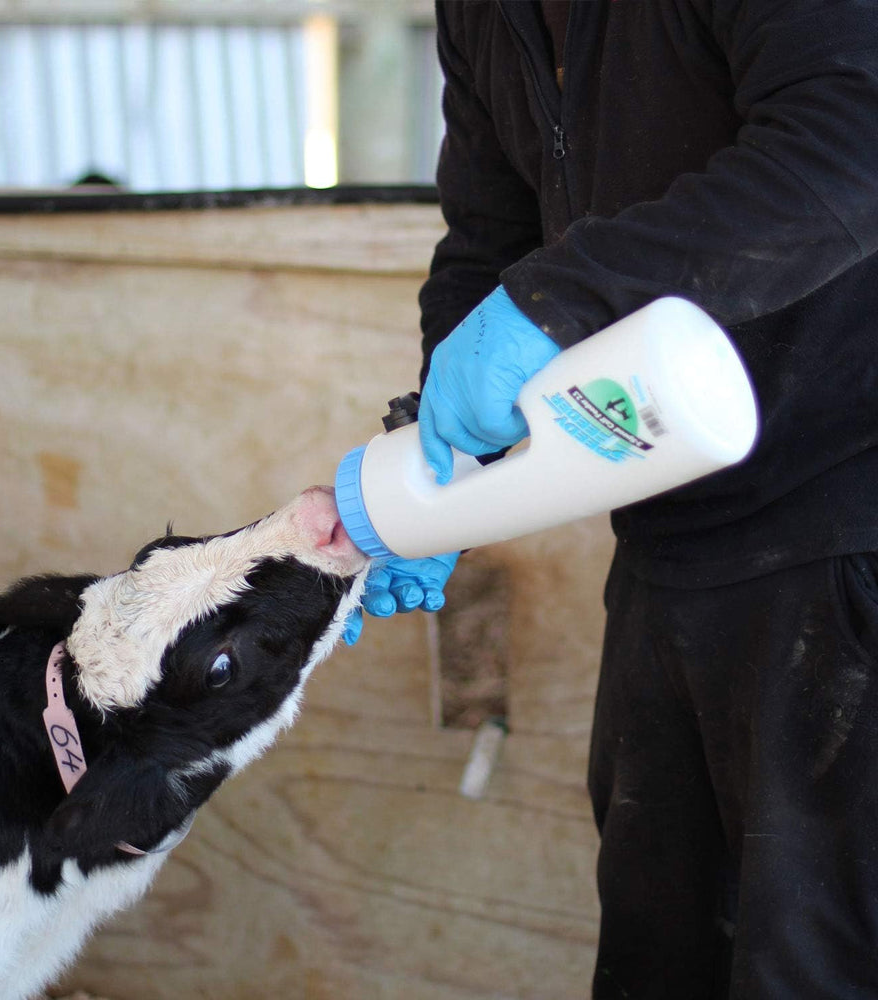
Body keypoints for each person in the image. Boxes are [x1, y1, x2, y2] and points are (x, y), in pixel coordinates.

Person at [345, 2, 878, 997]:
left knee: (818, 966)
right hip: (665, 536)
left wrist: (558, 301)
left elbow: (853, 139)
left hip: (843, 526)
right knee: (654, 958)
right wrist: (443, 468)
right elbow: (488, 238)